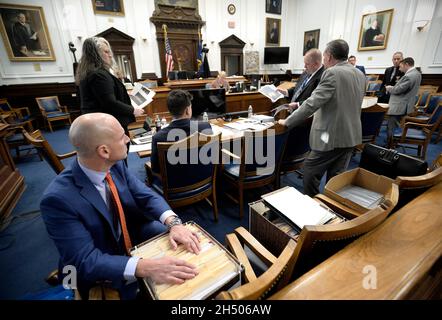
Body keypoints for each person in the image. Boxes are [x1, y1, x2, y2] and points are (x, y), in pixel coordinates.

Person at [40, 113, 200, 300]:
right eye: (122, 136)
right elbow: (85, 261)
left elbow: (145, 195)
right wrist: (145, 266)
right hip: (98, 260)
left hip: (128, 234)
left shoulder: (114, 166)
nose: (127, 138)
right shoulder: (57, 200)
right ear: (104, 151)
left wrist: (174, 223)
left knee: (178, 244)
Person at [278, 39, 366, 197]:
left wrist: (288, 121)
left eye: (324, 56)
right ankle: (330, 208)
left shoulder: (332, 73)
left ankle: (313, 204)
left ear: (330, 56)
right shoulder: (359, 74)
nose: (324, 60)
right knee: (336, 178)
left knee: (310, 171)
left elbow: (312, 103)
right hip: (351, 136)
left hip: (329, 136)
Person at [75, 37, 144, 136]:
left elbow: (103, 96)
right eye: (106, 52)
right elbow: (109, 102)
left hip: (96, 124)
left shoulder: (89, 72)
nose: (110, 55)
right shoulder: (99, 74)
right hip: (106, 125)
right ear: (95, 54)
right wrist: (133, 110)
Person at [151, 89, 213, 173]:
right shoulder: (205, 126)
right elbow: (211, 156)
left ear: (170, 110)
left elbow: (155, 169)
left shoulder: (158, 137)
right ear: (187, 110)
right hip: (205, 180)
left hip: (174, 184)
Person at [385, 57, 421, 144]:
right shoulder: (417, 73)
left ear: (407, 64)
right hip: (404, 104)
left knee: (391, 126)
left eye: (401, 66)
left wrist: (389, 88)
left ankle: (390, 146)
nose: (400, 69)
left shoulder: (409, 76)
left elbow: (397, 90)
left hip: (399, 105)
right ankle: (393, 143)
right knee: (395, 125)